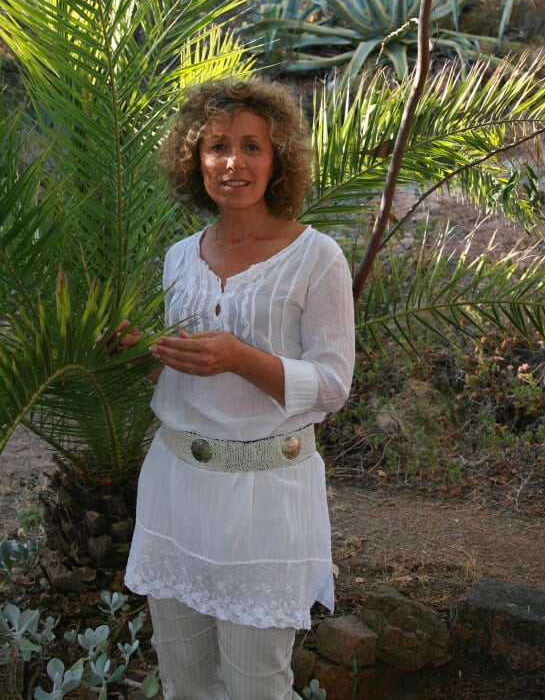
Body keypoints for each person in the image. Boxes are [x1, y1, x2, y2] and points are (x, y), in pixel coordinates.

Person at [120, 77, 355, 699]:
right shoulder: (179, 257)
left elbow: (334, 385)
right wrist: (142, 355)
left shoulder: (317, 257)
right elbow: (180, 381)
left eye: (252, 146)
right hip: (175, 489)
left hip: (267, 502)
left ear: (278, 158)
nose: (233, 162)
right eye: (217, 146)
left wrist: (239, 358)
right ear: (193, 161)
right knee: (184, 681)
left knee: (257, 686)